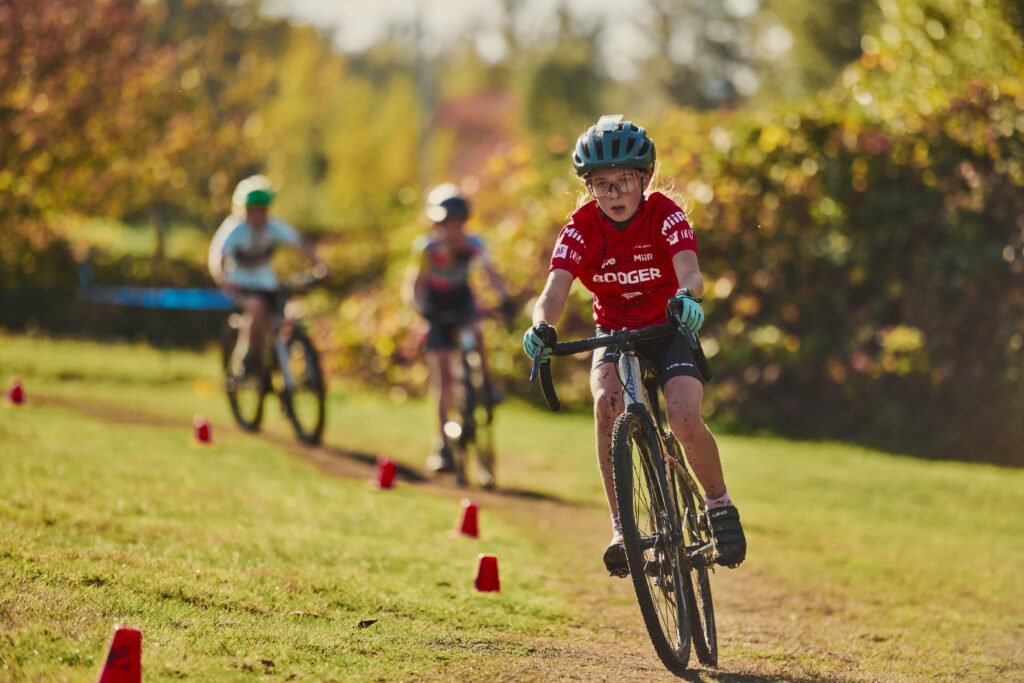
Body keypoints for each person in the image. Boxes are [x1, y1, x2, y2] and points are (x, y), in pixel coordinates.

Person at [521, 115, 746, 573]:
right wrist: (541, 325)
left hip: (667, 330)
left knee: (683, 416)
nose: (613, 194)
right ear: (588, 187)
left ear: (644, 177)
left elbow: (691, 272)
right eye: (601, 184)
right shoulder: (580, 228)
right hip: (615, 333)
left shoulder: (665, 214)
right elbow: (553, 293)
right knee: (606, 405)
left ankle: (718, 504)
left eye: (623, 181)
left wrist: (688, 297)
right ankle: (622, 527)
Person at [404, 183, 514, 473]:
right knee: (443, 378)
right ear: (435, 224)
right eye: (445, 223)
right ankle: (442, 444)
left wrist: (505, 300)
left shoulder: (475, 244)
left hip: (463, 303)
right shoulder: (427, 249)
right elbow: (415, 283)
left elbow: (491, 274)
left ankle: (485, 384)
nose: (451, 229)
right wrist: (420, 309)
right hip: (436, 309)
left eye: (457, 223)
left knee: (477, 332)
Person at [208, 175, 325, 376]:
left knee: (289, 315)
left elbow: (300, 245)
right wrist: (223, 277)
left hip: (267, 282)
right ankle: (244, 360)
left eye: (262, 209)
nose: (259, 215)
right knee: (256, 308)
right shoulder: (234, 229)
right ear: (244, 210)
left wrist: (321, 264)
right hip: (241, 284)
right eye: (254, 209)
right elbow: (217, 256)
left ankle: (280, 360)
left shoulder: (274, 227)